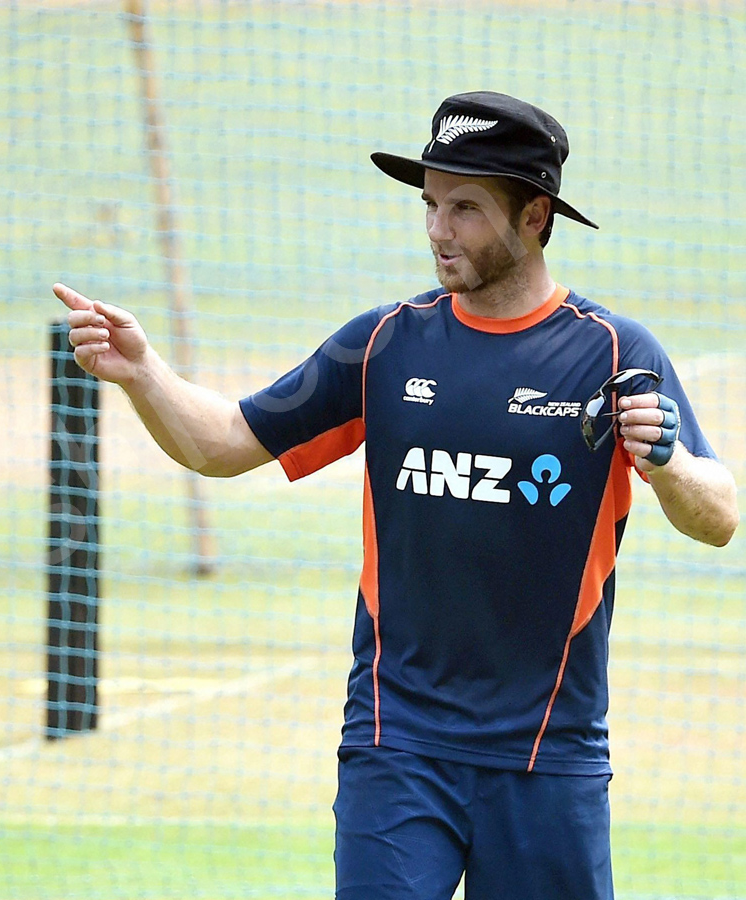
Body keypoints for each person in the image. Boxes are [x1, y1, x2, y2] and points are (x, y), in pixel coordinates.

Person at [55, 91, 738, 900]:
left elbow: (720, 516)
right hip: (396, 740)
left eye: (465, 208)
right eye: (429, 204)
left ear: (536, 217)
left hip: (549, 752)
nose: (437, 229)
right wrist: (142, 373)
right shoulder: (383, 343)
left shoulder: (614, 350)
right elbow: (224, 442)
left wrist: (665, 462)